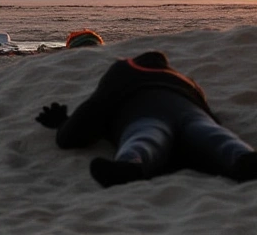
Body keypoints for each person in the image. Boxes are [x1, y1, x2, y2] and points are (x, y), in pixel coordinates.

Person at [36, 50, 257, 187]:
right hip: (190, 111)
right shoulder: (184, 80)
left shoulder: (122, 70)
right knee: (213, 135)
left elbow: (87, 117)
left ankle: (130, 165)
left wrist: (62, 124)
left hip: (140, 113)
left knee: (145, 137)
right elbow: (211, 115)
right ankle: (243, 157)